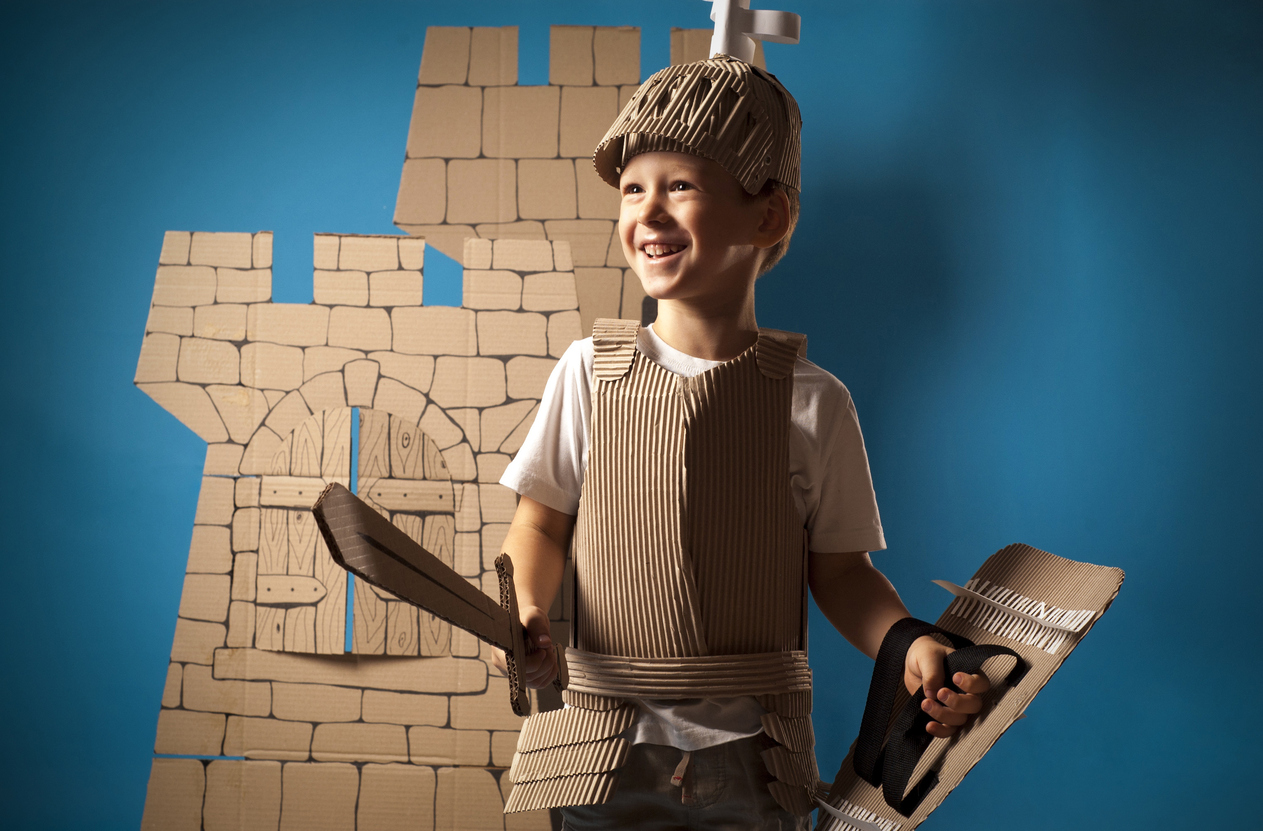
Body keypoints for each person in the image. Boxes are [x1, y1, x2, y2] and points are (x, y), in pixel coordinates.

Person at [494, 56, 990, 829]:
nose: (647, 212)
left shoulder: (815, 402)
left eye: (680, 186)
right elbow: (539, 524)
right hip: (599, 747)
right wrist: (523, 606)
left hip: (754, 764)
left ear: (768, 217)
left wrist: (909, 644)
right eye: (632, 188)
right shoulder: (588, 373)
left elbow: (841, 574)